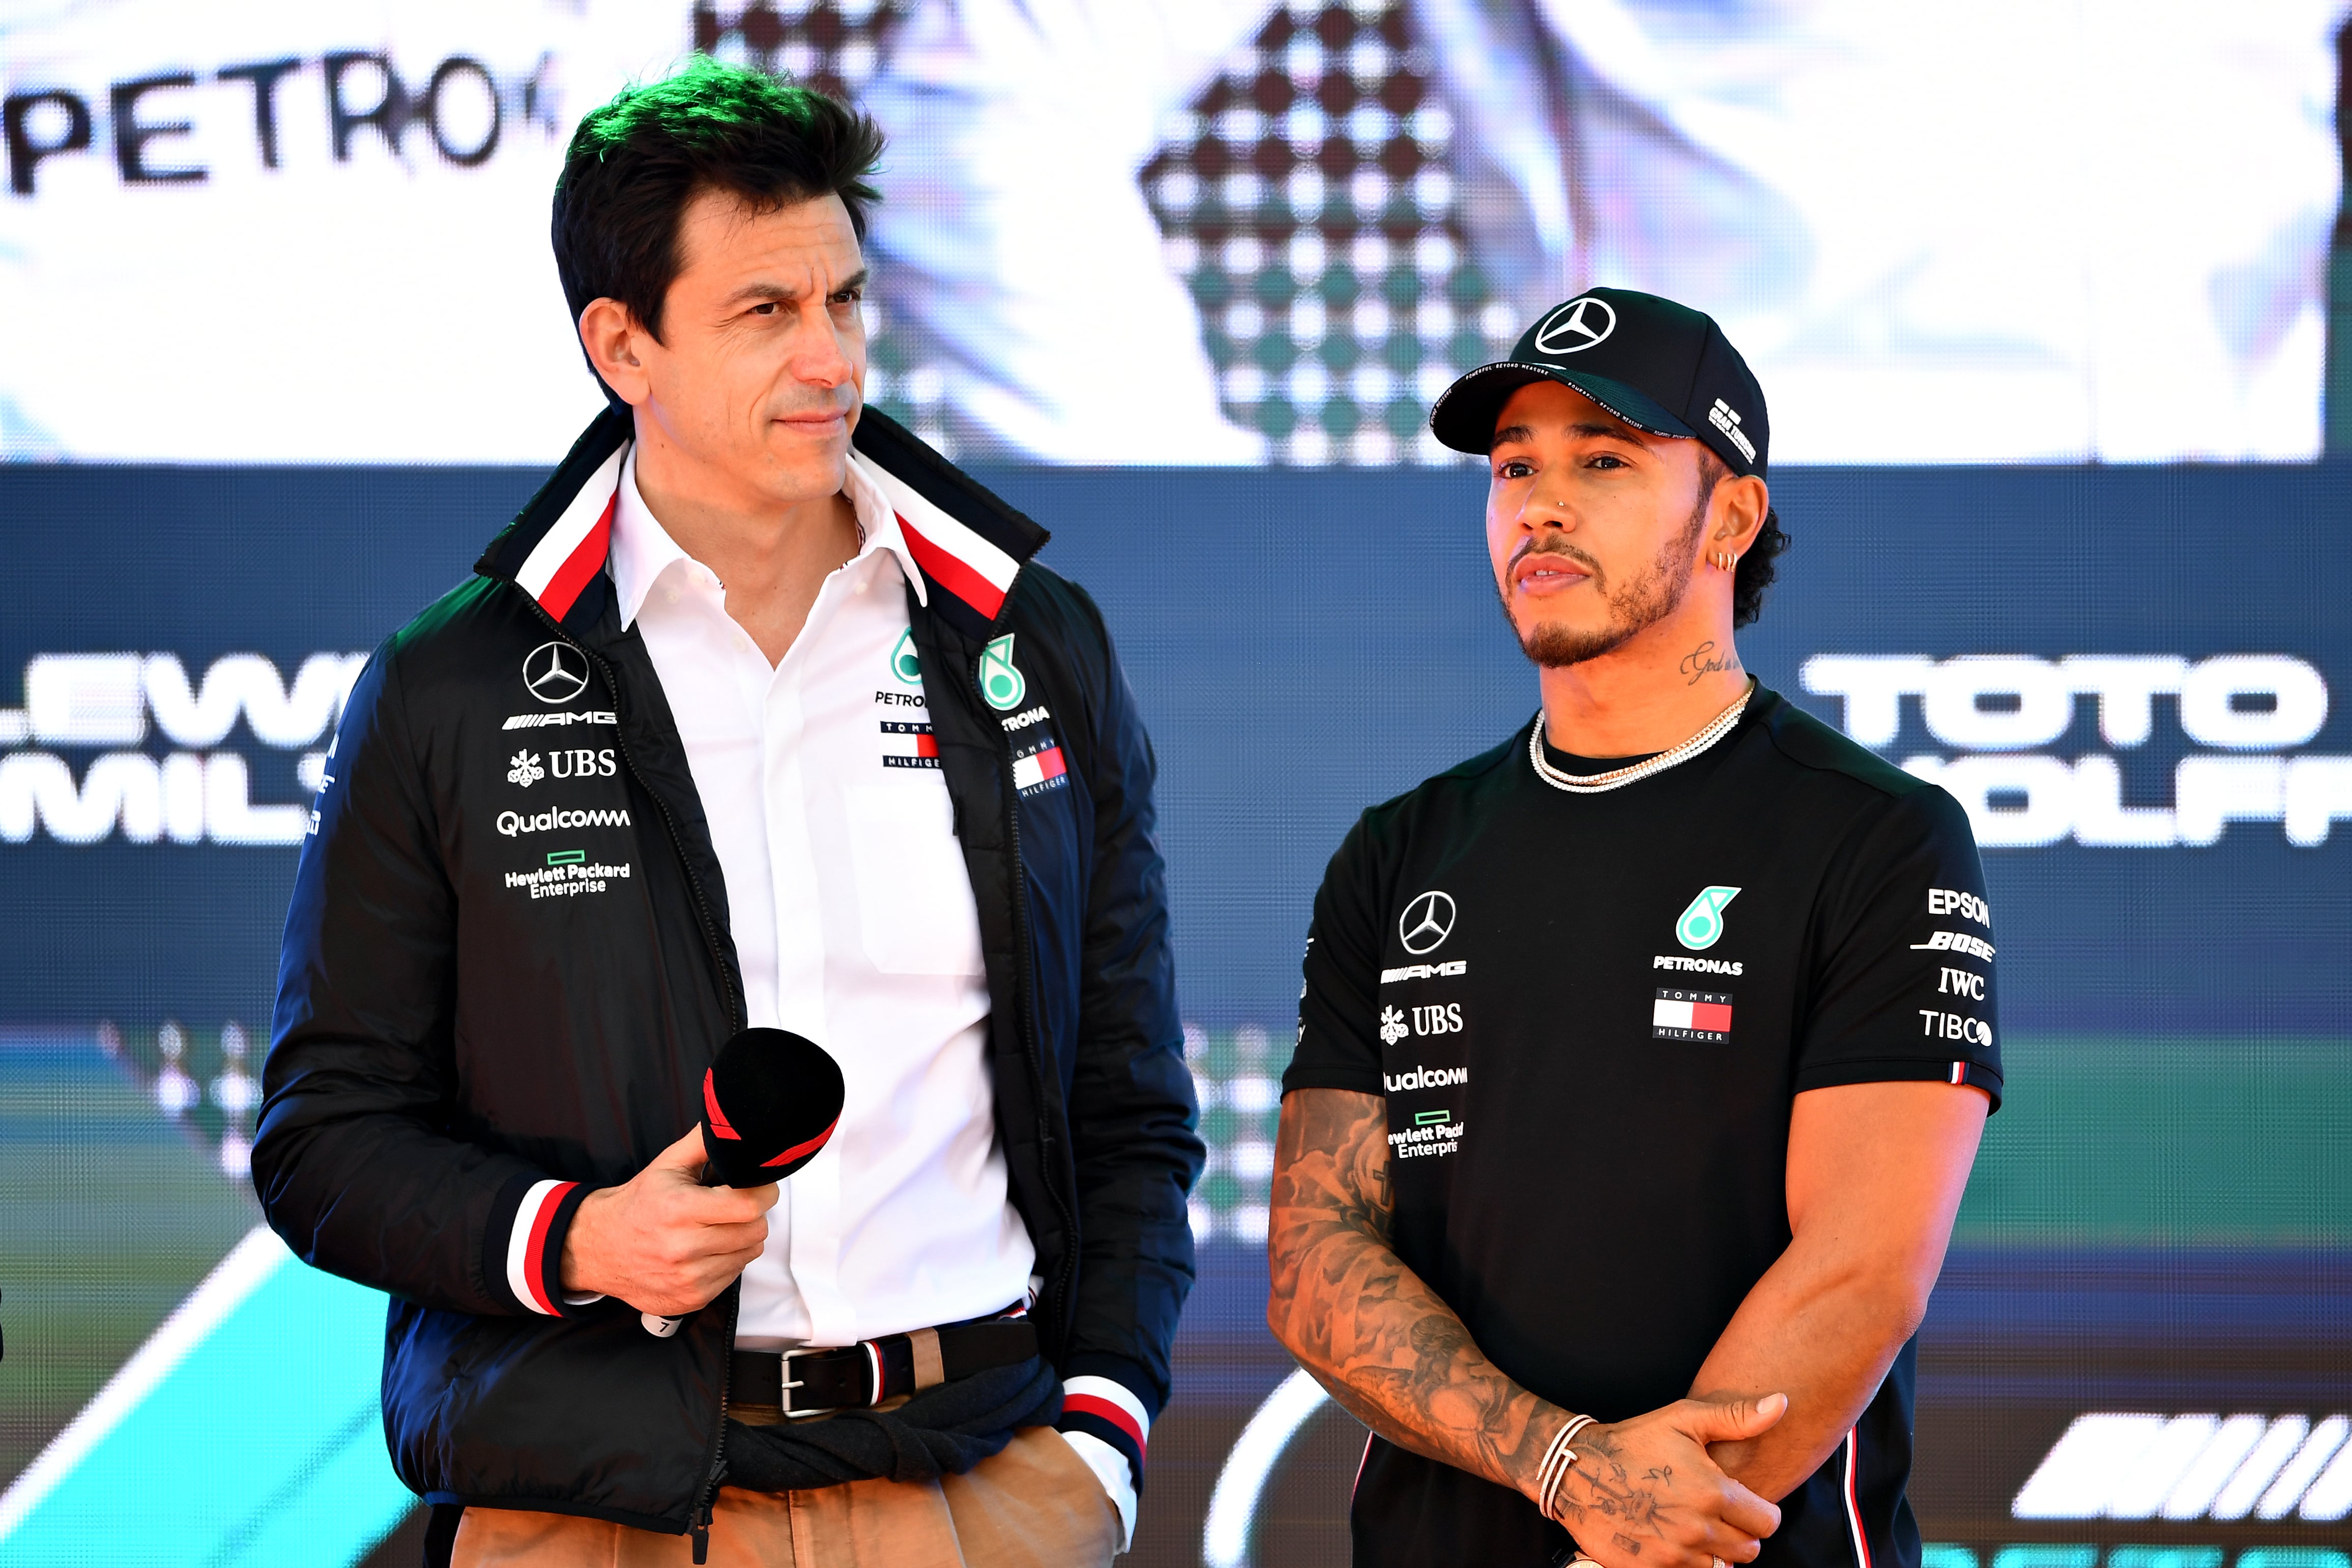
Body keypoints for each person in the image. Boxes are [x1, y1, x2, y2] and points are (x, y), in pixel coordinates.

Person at [252, 60, 1201, 1568]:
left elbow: (1129, 1099)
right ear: (621, 344)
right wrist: (574, 1238)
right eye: (766, 311)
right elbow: (323, 1137)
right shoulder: (450, 686)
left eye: (846, 301)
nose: (830, 358)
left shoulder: (1030, 641)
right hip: (587, 1510)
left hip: (977, 1487)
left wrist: (1098, 1438)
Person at [1265, 287, 2002, 1567]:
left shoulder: (1874, 833)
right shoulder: (1399, 848)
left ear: (1730, 515)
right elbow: (1314, 1256)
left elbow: (1859, 1266)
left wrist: (1630, 1537)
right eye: (1514, 468)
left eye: (1603, 460)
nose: (1540, 505)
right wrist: (1562, 1464)